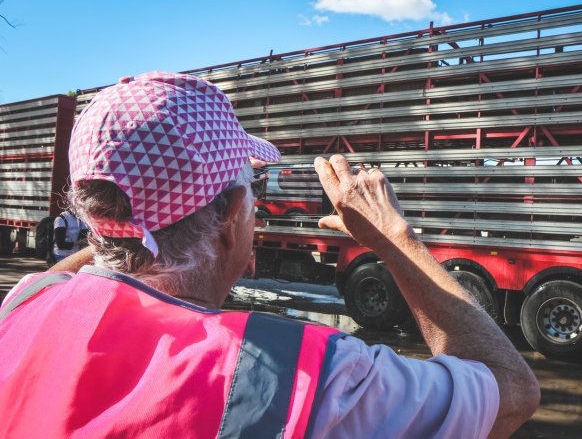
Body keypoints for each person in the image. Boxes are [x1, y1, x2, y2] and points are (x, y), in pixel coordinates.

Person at [0, 71, 539, 438]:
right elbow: (512, 393)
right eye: (252, 196)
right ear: (232, 216)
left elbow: (82, 272)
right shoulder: (308, 375)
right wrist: (393, 238)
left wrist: (120, 222)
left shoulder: (24, 307)